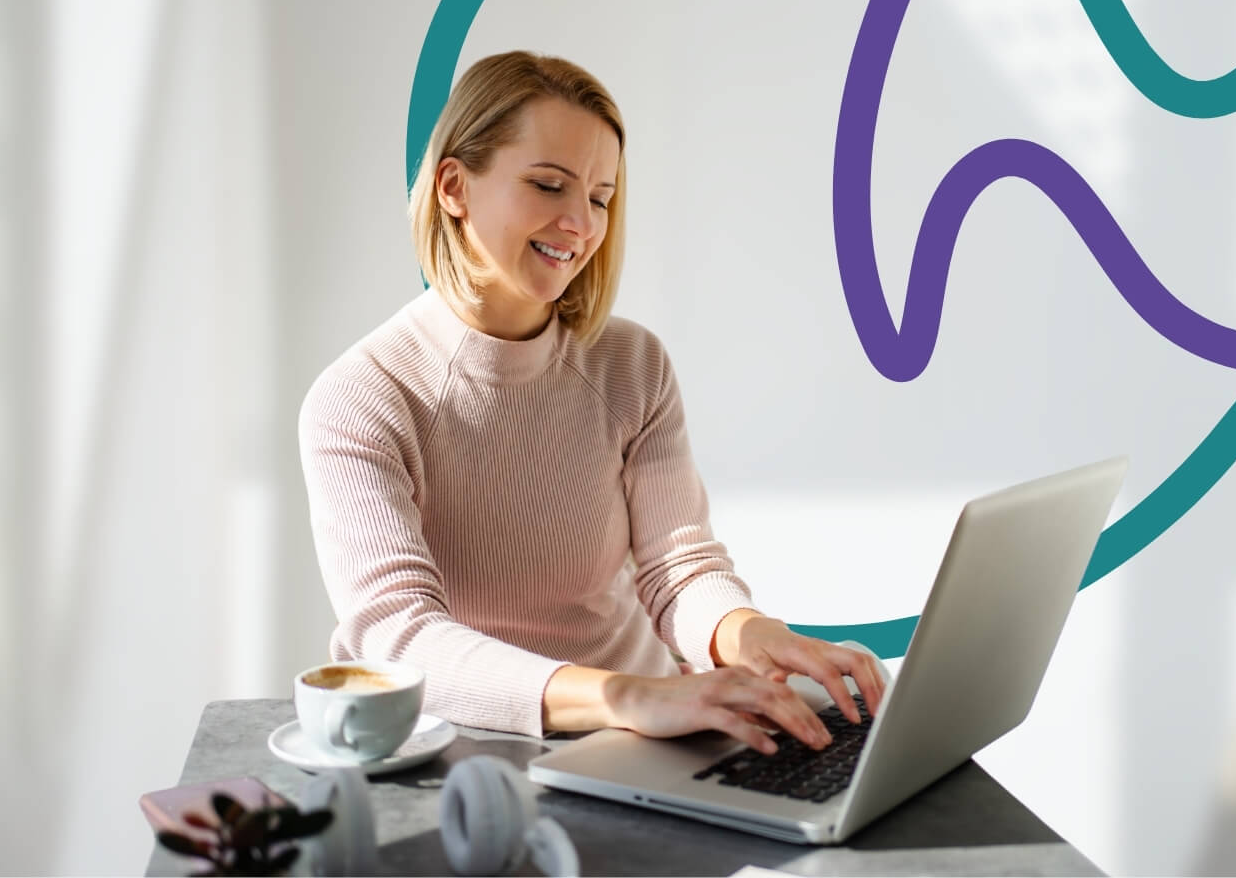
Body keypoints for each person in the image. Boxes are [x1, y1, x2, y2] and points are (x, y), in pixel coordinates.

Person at [299, 50, 885, 756]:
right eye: (549, 185)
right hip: (487, 750)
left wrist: (752, 635)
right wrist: (623, 696)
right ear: (454, 186)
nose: (580, 223)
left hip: (659, 735)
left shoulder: (631, 365)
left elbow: (680, 572)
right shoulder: (361, 399)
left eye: (601, 197)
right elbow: (400, 639)